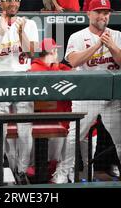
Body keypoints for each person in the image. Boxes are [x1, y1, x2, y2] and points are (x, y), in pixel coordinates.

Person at [52, 0, 121, 184]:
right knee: (73, 137)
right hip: (86, 96)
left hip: (111, 97)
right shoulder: (78, 37)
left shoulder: (117, 35)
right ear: (89, 14)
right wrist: (97, 46)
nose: (103, 16)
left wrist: (111, 45)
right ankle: (62, 173)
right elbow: (73, 61)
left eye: (106, 12)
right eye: (98, 12)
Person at [0, 0, 39, 186]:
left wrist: (21, 32)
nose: (13, 3)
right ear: (0, 3)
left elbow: (33, 53)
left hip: (23, 79)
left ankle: (21, 172)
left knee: (25, 130)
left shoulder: (29, 24)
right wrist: (1, 33)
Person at [30, 38, 72, 173]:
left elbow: (73, 74)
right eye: (55, 50)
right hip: (45, 121)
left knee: (62, 156)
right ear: (51, 51)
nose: (57, 53)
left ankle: (60, 173)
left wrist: (57, 67)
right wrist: (56, 68)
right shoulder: (34, 68)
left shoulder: (58, 66)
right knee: (47, 159)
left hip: (63, 118)